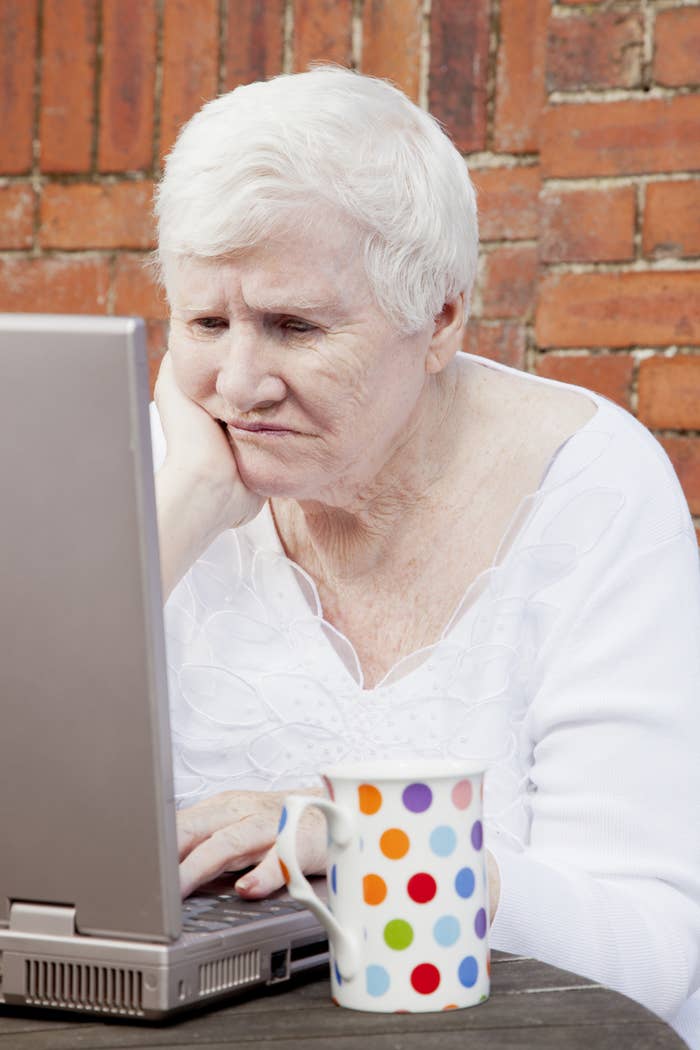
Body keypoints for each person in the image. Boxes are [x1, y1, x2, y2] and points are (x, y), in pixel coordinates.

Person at [151, 66, 700, 1045]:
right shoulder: (175, 474)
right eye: (204, 322)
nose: (235, 383)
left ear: (441, 317)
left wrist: (381, 852)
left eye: (292, 325)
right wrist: (179, 515)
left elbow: (653, 950)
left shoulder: (593, 493)